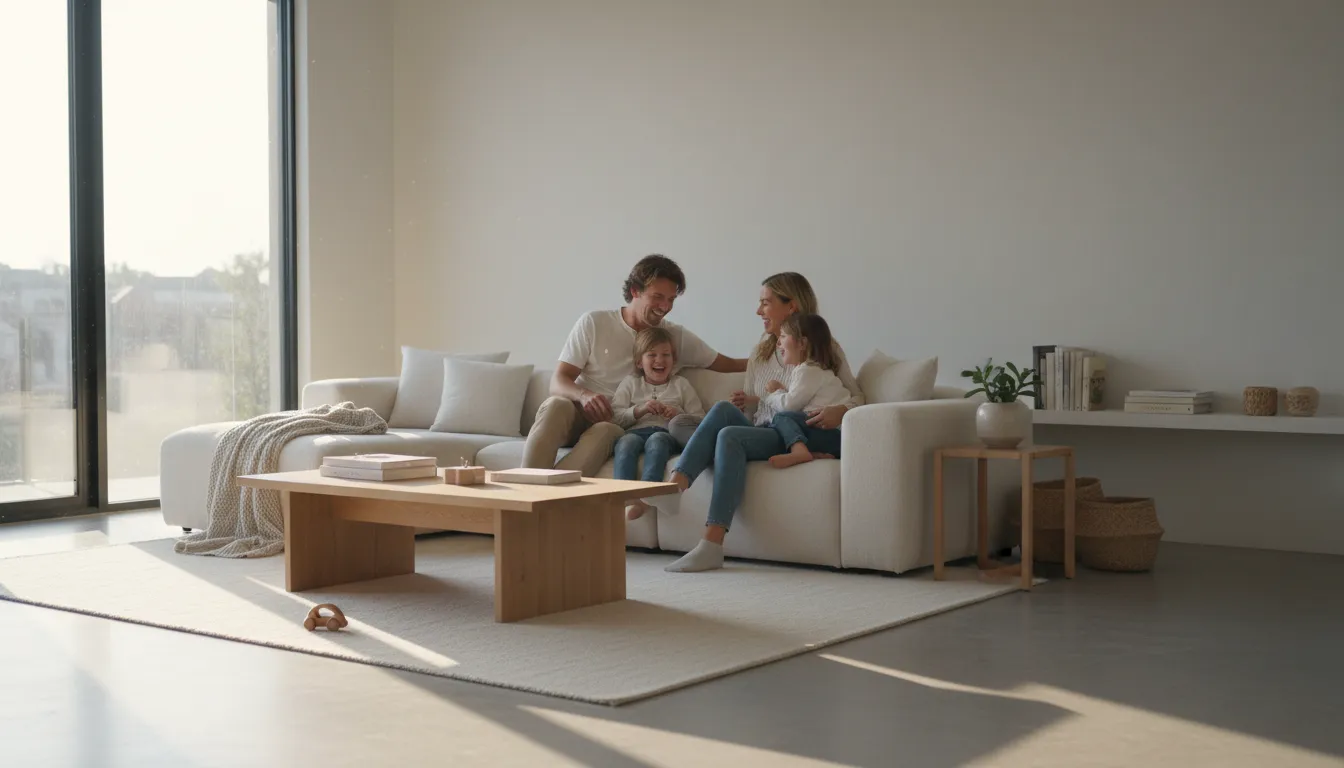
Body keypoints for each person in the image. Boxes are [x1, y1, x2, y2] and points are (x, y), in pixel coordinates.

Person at [663, 272, 864, 573]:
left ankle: (711, 544)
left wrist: (841, 410)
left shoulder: (823, 347)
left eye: (766, 303)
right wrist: (750, 404)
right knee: (719, 412)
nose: (759, 311)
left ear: (791, 306)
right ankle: (673, 488)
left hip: (795, 429)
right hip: (767, 427)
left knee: (728, 436)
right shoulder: (762, 351)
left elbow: (857, 398)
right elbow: (757, 411)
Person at [522, 254, 745, 477]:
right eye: (658, 297)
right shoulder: (594, 322)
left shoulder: (674, 337)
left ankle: (549, 497)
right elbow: (559, 380)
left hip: (618, 424)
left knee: (604, 430)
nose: (665, 307)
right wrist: (584, 395)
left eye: (671, 299)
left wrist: (776, 352)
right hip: (577, 413)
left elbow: (729, 363)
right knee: (555, 405)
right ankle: (522, 490)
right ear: (634, 291)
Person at [610, 326, 705, 520]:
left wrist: (677, 414)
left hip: (665, 433)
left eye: (666, 355)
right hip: (635, 432)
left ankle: (647, 496)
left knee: (657, 440)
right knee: (626, 443)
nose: (659, 360)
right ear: (639, 362)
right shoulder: (630, 383)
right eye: (652, 355)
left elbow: (700, 419)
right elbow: (615, 417)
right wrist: (640, 409)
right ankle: (624, 495)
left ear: (674, 360)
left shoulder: (681, 385)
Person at [762, 313, 849, 469]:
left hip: (833, 436)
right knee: (781, 422)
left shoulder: (808, 371)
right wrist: (783, 391)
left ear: (802, 343)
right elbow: (797, 400)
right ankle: (816, 453)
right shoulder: (813, 371)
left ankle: (799, 451)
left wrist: (774, 393)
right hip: (835, 439)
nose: (778, 343)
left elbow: (789, 406)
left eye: (783, 336)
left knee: (781, 417)